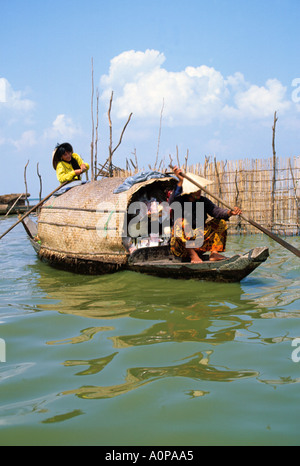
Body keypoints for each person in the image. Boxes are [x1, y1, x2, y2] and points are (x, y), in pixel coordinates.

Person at [169, 166, 242, 263]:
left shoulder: (203, 201)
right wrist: (181, 181)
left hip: (199, 242)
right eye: (195, 190)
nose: (199, 191)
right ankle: (192, 255)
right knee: (180, 223)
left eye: (199, 189)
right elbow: (172, 202)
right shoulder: (180, 201)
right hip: (181, 247)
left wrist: (229, 212)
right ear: (189, 192)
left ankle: (214, 253)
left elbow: (216, 211)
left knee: (220, 222)